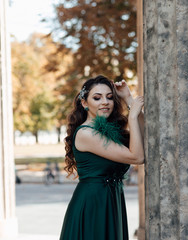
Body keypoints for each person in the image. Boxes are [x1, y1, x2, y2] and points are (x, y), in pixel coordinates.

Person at [60, 75, 145, 240]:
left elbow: (144, 137)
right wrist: (132, 116)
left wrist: (128, 98)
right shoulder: (86, 133)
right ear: (85, 103)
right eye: (97, 98)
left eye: (110, 97)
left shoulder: (109, 131)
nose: (105, 102)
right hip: (93, 204)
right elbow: (137, 157)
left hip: (111, 201)